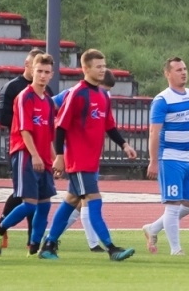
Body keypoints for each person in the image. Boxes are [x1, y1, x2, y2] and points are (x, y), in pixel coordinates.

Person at [39, 50, 137, 261]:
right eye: (98, 66)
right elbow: (61, 126)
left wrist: (124, 144)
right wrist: (59, 156)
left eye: (104, 66)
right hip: (78, 160)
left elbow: (109, 126)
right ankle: (111, 249)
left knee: (70, 202)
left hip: (91, 161)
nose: (103, 70)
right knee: (94, 200)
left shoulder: (102, 95)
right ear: (86, 68)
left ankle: (48, 245)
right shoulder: (77, 93)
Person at [142, 57, 189, 256]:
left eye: (185, 68)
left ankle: (153, 228)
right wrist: (153, 161)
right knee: (172, 205)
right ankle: (176, 250)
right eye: (178, 69)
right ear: (168, 74)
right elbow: (154, 132)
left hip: (187, 157)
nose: (183, 72)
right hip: (169, 158)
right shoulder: (162, 100)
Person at [0, 53, 57, 256]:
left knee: (45, 206)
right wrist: (35, 155)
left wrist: (55, 159)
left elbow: (50, 134)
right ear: (31, 70)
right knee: (29, 204)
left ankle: (34, 248)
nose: (43, 76)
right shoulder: (24, 97)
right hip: (25, 154)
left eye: (47, 72)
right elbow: (24, 130)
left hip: (43, 156)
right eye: (39, 71)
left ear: (52, 74)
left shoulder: (48, 101)